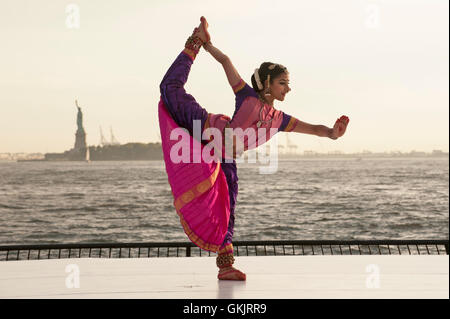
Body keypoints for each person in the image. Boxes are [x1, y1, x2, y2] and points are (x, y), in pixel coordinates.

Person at [158, 17, 349, 281]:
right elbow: (226, 62)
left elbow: (314, 129)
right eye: (283, 82)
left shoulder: (279, 119)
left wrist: (332, 133)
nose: (288, 88)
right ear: (268, 82)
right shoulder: (245, 95)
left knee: (227, 209)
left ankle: (225, 266)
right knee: (169, 88)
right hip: (204, 126)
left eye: (288, 83)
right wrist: (205, 43)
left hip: (224, 157)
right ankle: (193, 41)